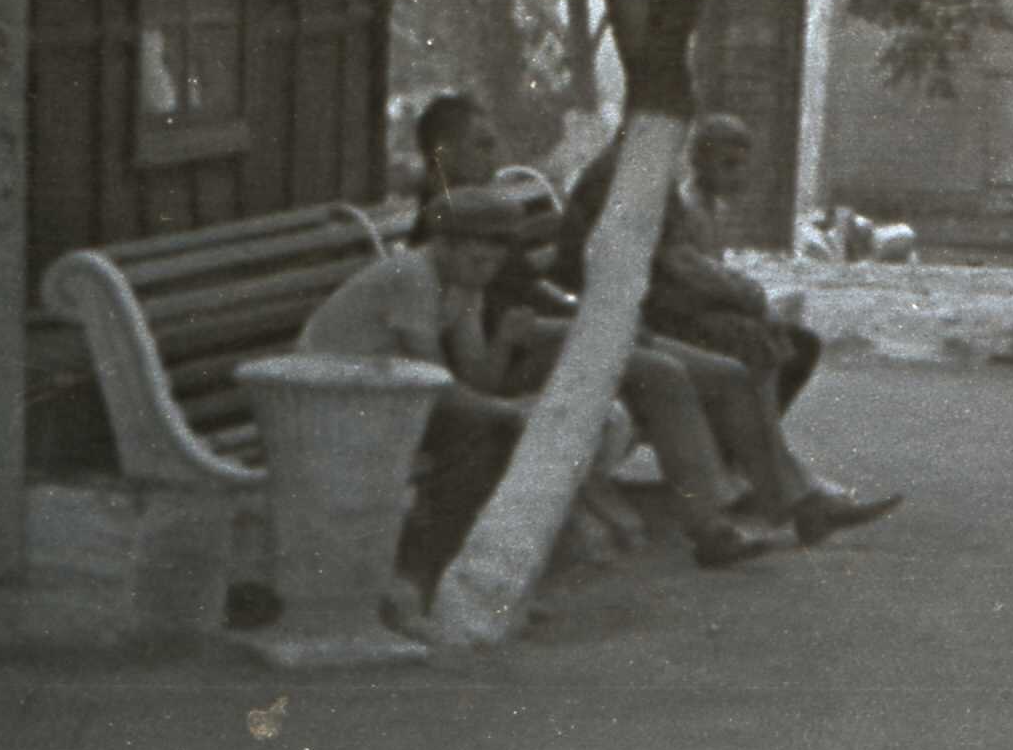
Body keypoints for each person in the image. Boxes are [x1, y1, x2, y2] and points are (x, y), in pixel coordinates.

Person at [296, 182, 781, 601]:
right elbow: (438, 386)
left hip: (383, 397)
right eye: (476, 256)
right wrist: (509, 411)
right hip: (325, 403)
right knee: (476, 439)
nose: (486, 269)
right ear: (443, 244)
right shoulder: (412, 278)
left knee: (486, 433)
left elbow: (477, 378)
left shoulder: (464, 285)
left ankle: (465, 580)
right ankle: (434, 579)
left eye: (494, 259)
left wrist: (504, 343)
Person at [556, 118, 891, 543]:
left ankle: (791, 493)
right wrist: (748, 296)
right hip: (638, 321)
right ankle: (790, 495)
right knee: (751, 349)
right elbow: (678, 268)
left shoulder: (654, 181)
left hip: (649, 315)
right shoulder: (638, 182)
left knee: (764, 346)